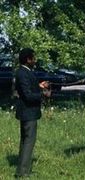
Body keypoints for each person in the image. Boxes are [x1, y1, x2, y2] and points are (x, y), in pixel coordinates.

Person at [14, 48, 51, 178]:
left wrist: (39, 85)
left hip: (26, 112)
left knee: (25, 141)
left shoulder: (24, 71)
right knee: (29, 142)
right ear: (28, 59)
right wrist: (43, 94)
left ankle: (21, 169)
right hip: (28, 113)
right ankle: (23, 172)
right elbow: (28, 95)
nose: (35, 60)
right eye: (33, 58)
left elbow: (28, 87)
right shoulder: (22, 73)